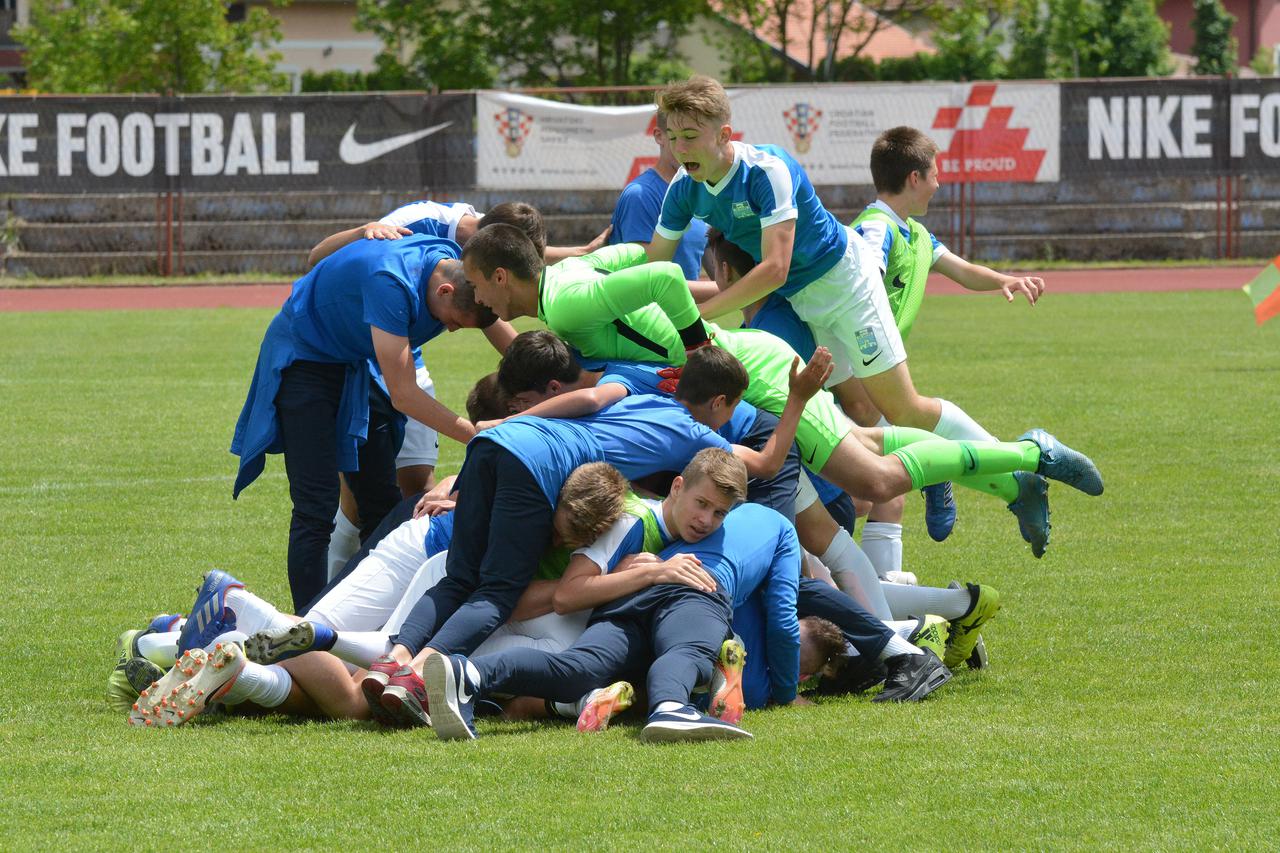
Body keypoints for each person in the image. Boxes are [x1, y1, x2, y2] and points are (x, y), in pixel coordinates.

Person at [460, 224, 1104, 565]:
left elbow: (656, 273)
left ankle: (1028, 454)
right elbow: (632, 256)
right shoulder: (564, 279)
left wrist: (694, 352)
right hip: (743, 368)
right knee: (869, 444)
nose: (478, 303)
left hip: (754, 376)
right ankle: (969, 470)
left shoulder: (566, 304)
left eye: (477, 288)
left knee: (874, 480)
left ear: (498, 276)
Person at [645, 77, 1026, 542]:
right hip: (800, 302)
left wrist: (696, 321)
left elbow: (775, 269)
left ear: (725, 135)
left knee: (902, 407)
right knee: (859, 414)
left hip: (843, 282)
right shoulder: (685, 187)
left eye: (691, 137)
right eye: (674, 136)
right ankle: (926, 471)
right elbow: (653, 265)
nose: (680, 148)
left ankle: (1021, 468)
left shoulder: (767, 169)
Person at [231, 234, 503, 610]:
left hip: (355, 363)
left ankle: (366, 613)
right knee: (317, 505)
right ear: (443, 291)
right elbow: (404, 394)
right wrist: (475, 434)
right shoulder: (390, 283)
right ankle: (307, 630)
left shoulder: (453, 260)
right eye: (455, 323)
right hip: (305, 361)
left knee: (381, 498)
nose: (452, 330)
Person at [850, 125, 1052, 555]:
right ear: (914, 179)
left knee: (885, 488)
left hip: (873, 372)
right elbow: (862, 279)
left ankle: (881, 599)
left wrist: (1005, 280)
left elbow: (960, 270)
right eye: (936, 175)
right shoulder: (874, 228)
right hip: (851, 369)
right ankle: (978, 467)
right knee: (862, 487)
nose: (939, 184)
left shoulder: (916, 234)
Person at [608, 110, 710, 281]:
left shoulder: (701, 189)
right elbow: (646, 283)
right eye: (676, 137)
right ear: (659, 136)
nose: (685, 148)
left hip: (685, 308)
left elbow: (710, 258)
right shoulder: (640, 196)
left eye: (693, 137)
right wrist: (731, 291)